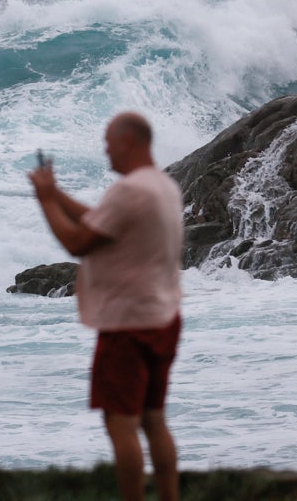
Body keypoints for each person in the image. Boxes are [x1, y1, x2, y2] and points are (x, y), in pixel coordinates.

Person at [28, 112, 184, 501]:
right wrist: (58, 192)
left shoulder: (129, 191)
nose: (105, 150)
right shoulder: (163, 186)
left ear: (129, 142)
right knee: (153, 419)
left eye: (108, 142)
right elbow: (101, 221)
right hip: (163, 315)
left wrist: (46, 201)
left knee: (122, 424)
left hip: (127, 323)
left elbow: (78, 243)